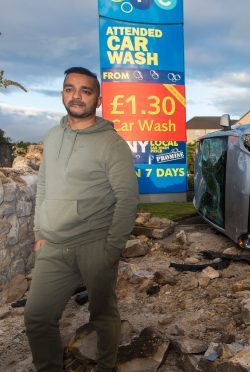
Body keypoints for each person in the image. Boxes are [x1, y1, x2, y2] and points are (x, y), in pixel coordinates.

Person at [24, 67, 139, 371]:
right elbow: (44, 185)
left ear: (97, 100)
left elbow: (127, 198)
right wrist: (39, 231)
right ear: (62, 93)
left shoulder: (112, 144)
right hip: (52, 246)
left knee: (102, 314)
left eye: (85, 90)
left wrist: (113, 249)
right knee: (37, 316)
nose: (76, 96)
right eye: (69, 88)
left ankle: (105, 366)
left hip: (94, 244)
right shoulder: (51, 136)